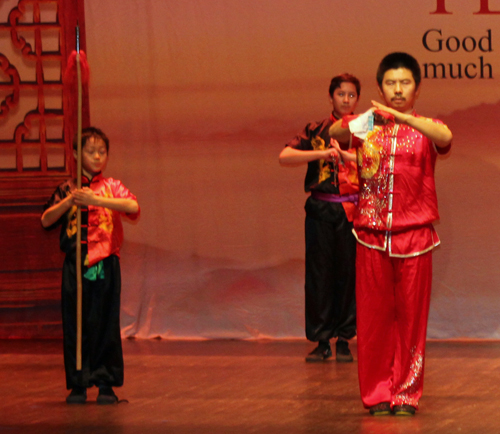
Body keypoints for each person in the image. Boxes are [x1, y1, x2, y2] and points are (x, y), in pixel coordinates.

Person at [330, 52, 452, 415]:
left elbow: (445, 137)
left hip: (414, 237)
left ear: (416, 88)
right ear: (381, 87)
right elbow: (335, 132)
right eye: (391, 84)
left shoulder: (426, 127)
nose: (398, 90)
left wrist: (402, 119)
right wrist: (362, 120)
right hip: (370, 235)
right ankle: (377, 394)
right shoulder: (369, 124)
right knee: (372, 320)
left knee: (412, 321)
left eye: (405, 83)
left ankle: (406, 394)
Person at [41, 127, 140, 404]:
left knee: (106, 323)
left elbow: (132, 207)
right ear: (75, 153)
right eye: (90, 151)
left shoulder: (111, 186)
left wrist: (96, 200)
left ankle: (106, 383)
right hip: (76, 266)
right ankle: (79, 383)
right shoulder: (67, 188)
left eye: (102, 152)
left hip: (106, 263)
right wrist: (70, 201)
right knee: (76, 324)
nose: (97, 157)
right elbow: (46, 220)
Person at [279, 74, 360, 363]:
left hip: (352, 213)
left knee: (349, 276)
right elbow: (284, 155)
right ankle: (322, 339)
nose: (346, 99)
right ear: (331, 97)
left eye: (351, 95)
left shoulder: (366, 130)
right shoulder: (316, 129)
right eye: (341, 94)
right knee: (319, 276)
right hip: (320, 211)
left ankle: (345, 340)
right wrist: (321, 153)